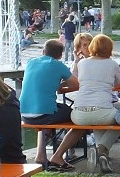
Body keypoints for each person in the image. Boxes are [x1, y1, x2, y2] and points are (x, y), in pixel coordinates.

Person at [52, 35, 120, 173]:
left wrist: (77, 61)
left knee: (96, 120)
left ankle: (101, 154)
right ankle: (102, 150)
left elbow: (75, 80)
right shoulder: (112, 64)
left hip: (79, 114)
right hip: (102, 111)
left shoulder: (82, 63)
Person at [18, 40, 78, 169]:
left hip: (24, 114)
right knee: (77, 117)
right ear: (60, 55)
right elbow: (76, 85)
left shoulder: (31, 62)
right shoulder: (58, 65)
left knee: (48, 114)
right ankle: (59, 155)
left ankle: (40, 155)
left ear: (43, 52)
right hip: (44, 114)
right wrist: (61, 84)